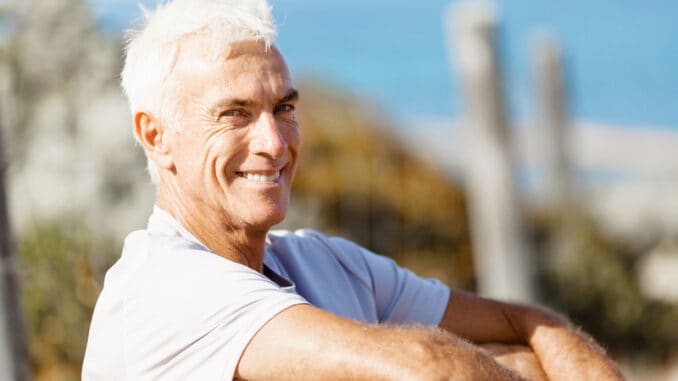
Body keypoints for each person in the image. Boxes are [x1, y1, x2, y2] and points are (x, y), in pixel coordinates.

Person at [82, 0, 624, 380]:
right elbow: (432, 370)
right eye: (235, 114)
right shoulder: (162, 288)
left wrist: (533, 356)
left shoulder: (327, 262)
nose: (274, 143)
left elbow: (527, 323)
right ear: (156, 137)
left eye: (284, 109)